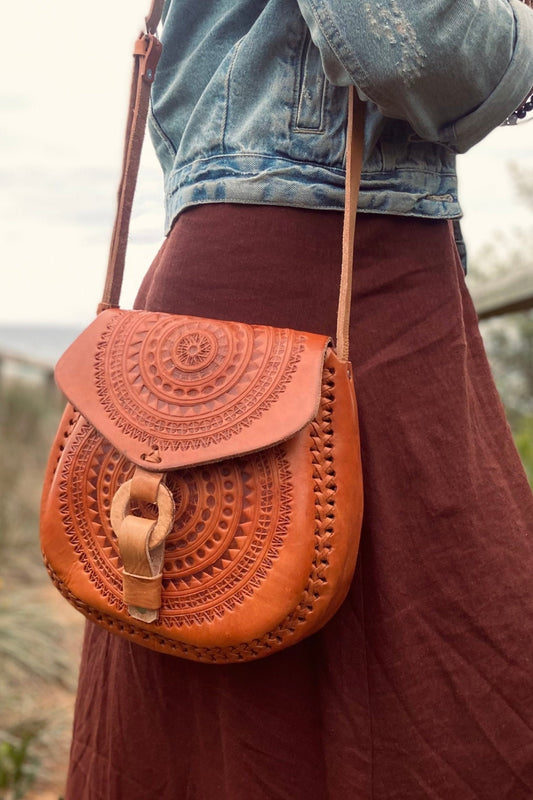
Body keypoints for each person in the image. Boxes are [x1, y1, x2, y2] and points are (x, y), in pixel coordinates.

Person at [65, 1, 533, 797]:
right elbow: (414, 41)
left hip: (224, 270)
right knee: (434, 680)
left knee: (224, 700)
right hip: (329, 276)